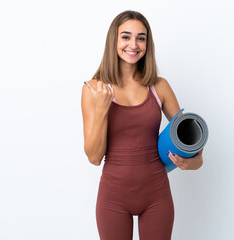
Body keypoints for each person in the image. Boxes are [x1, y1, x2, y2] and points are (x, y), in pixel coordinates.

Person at [81, 10, 204, 240]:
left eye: (141, 38)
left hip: (156, 195)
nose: (133, 44)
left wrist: (195, 160)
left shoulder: (160, 86)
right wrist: (101, 109)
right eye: (126, 37)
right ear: (113, 41)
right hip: (113, 198)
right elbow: (94, 158)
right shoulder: (94, 89)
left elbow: (187, 139)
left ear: (147, 43)